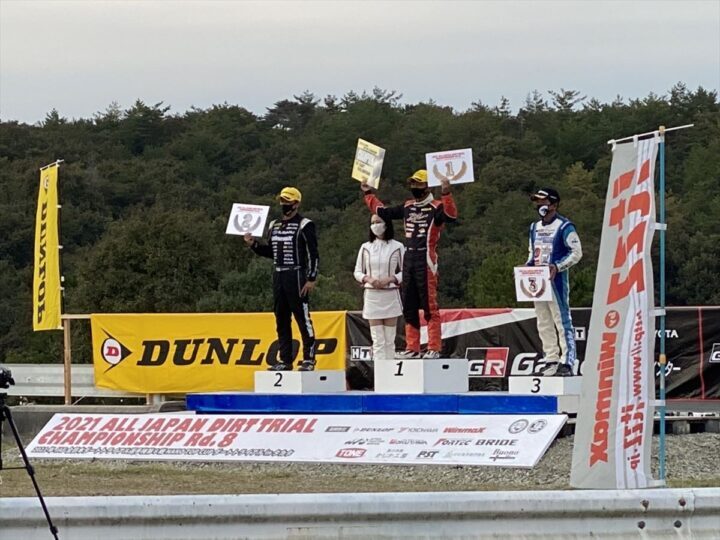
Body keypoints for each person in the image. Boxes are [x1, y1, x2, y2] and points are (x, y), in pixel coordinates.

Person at [361, 170, 457, 359]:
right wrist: (368, 193)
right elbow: (384, 212)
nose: (415, 187)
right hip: (409, 258)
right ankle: (412, 347)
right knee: (409, 306)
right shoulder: (408, 206)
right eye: (413, 184)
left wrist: (446, 193)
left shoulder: (436, 206)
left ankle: (434, 347)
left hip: (426, 259)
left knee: (429, 306)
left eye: (418, 184)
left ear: (428, 186)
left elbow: (451, 216)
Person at [244, 187, 319, 371]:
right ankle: (285, 360)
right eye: (282, 200)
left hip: (297, 274)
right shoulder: (274, 225)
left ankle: (309, 358)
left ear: (296, 203)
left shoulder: (305, 224)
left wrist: (311, 278)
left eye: (288, 201)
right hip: (278, 274)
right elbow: (272, 252)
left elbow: (313, 253)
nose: (284, 204)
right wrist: (253, 244)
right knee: (281, 318)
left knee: (302, 317)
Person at [526, 187, 582, 377]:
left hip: (556, 280)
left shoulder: (565, 226)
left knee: (562, 320)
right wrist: (526, 267)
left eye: (543, 201)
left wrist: (557, 266)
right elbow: (532, 253)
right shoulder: (534, 227)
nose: (539, 205)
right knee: (543, 321)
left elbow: (576, 253)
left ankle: (567, 362)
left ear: (554, 204)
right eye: (537, 201)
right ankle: (550, 359)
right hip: (537, 281)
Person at [353, 214, 404, 362]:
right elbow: (357, 271)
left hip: (390, 294)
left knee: (389, 340)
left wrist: (391, 278)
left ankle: (390, 372)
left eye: (378, 222)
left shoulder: (398, 246)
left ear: (386, 223)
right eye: (373, 222)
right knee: (378, 340)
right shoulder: (365, 247)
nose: (375, 225)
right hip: (372, 295)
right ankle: (380, 373)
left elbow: (406, 270)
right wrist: (368, 279)